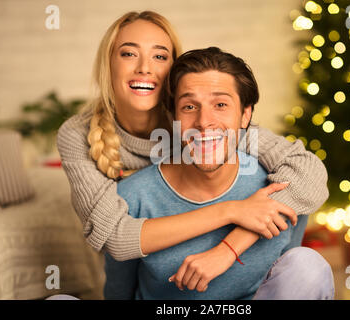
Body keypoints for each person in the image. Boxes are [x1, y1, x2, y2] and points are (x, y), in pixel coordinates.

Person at [56, 11, 328, 267]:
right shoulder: (77, 134)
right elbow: (114, 237)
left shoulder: (197, 121)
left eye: (160, 57)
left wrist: (229, 248)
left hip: (230, 263)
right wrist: (232, 211)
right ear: (108, 65)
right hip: (146, 273)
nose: (144, 68)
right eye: (129, 53)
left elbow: (309, 173)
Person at [104, 47, 334, 300]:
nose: (204, 121)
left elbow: (288, 279)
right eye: (189, 106)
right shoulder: (132, 196)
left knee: (306, 265)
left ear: (245, 115)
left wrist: (226, 251)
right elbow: (119, 291)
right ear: (173, 118)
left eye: (221, 104)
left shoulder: (283, 184)